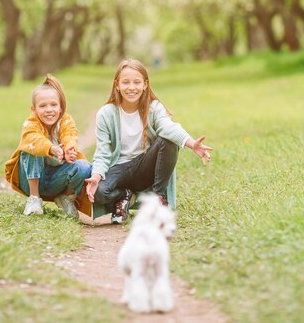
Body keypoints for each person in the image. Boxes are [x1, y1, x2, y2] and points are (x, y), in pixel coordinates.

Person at [85, 59, 212, 224]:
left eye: (137, 82)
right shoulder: (106, 113)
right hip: (119, 168)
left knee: (168, 139)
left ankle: (157, 200)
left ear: (145, 85)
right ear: (117, 85)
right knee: (99, 193)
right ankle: (124, 195)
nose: (131, 87)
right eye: (126, 82)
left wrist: (191, 143)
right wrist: (96, 177)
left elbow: (168, 127)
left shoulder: (154, 108)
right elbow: (103, 151)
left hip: (144, 166)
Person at [4, 74, 91, 218]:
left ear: (61, 107)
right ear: (34, 109)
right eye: (43, 106)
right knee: (31, 148)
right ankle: (34, 199)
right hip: (31, 180)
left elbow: (70, 135)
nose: (49, 109)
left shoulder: (66, 121)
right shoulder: (30, 124)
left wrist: (69, 149)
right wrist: (51, 148)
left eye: (53, 105)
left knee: (84, 167)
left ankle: (66, 197)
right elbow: (34, 139)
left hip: (56, 180)